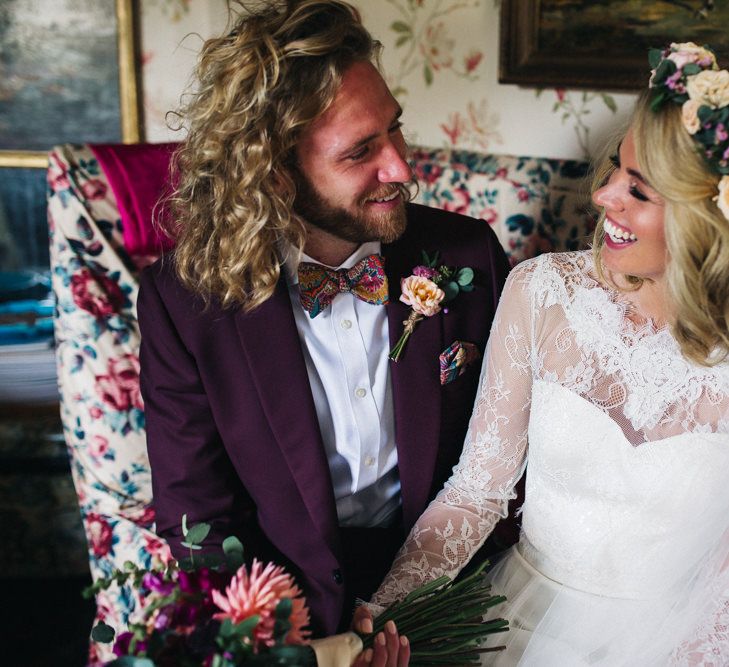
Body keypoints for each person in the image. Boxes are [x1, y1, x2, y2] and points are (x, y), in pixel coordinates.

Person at [136, 0, 511, 650]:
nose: (400, 167)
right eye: (360, 151)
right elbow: (200, 517)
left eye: (394, 130)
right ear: (274, 175)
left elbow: (511, 462)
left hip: (446, 586)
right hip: (292, 610)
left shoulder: (467, 255)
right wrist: (302, 648)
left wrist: (422, 608)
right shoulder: (186, 303)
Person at [367, 42, 729, 665]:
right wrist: (386, 615)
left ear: (706, 217)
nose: (603, 197)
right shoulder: (543, 291)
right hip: (514, 622)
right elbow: (476, 491)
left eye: (638, 191)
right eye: (614, 169)